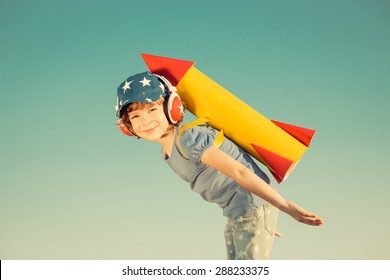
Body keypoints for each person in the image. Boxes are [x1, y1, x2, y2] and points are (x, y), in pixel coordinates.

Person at [115, 71, 323, 260]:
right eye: (135, 116)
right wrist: (264, 222)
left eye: (152, 109)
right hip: (238, 213)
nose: (146, 121)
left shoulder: (188, 139)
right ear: (128, 126)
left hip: (252, 206)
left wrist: (282, 207)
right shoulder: (167, 153)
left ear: (173, 107)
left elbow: (239, 171)